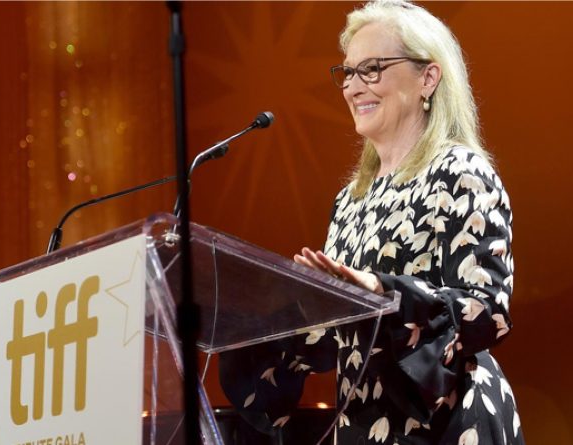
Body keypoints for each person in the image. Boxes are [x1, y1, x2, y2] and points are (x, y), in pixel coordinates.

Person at [220, 1, 523, 443]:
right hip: (366, 422)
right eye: (347, 72)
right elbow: (334, 340)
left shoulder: (460, 171)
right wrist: (258, 318)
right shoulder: (351, 200)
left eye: (373, 69)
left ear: (428, 77)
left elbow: (487, 310)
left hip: (448, 423)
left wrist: (383, 292)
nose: (352, 87)